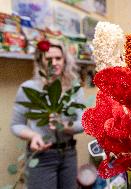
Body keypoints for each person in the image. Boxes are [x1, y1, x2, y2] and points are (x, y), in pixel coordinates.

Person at [10, 38, 84, 189]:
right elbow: (16, 125)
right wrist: (33, 136)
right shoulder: (28, 88)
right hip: (41, 156)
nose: (54, 62)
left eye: (58, 58)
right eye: (49, 58)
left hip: (68, 154)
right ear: (40, 60)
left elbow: (83, 123)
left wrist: (64, 125)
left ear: (65, 60)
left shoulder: (74, 88)